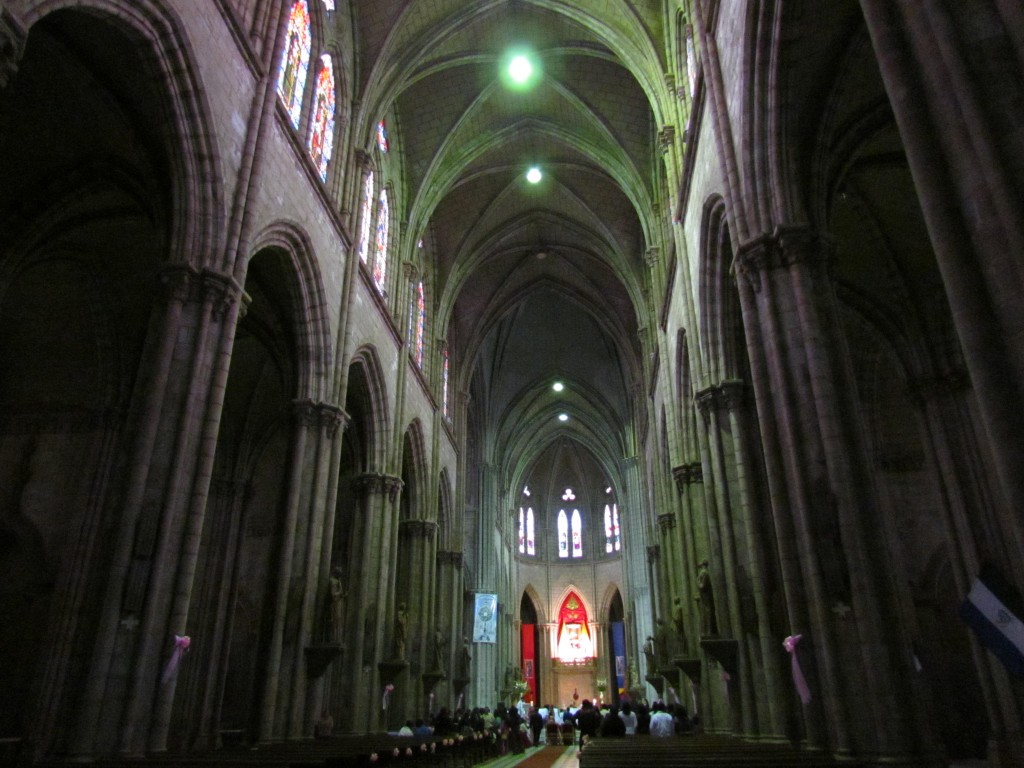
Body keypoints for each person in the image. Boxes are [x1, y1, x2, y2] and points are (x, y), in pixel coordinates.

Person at [327, 567, 347, 643]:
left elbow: (339, 593)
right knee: (334, 621)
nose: (340, 576)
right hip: (335, 604)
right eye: (339, 573)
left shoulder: (338, 581)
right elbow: (333, 594)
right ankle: (333, 638)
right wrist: (340, 592)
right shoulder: (333, 581)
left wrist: (343, 595)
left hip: (338, 603)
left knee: (339, 621)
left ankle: (337, 638)